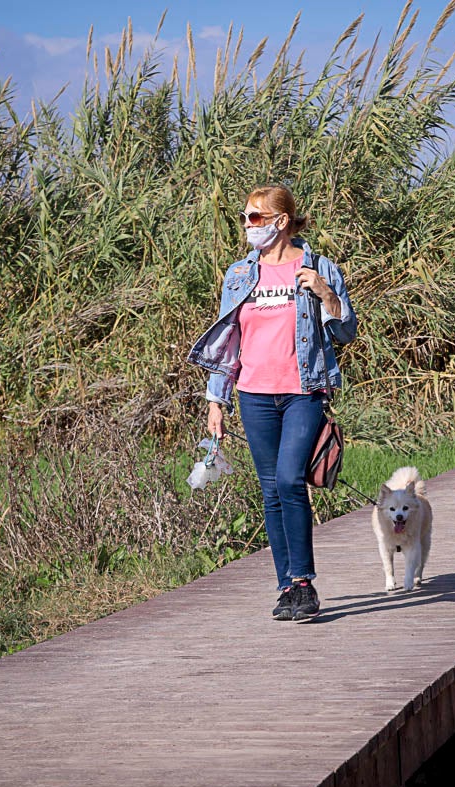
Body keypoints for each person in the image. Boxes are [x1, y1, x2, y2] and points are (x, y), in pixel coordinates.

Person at [187, 185, 357, 621]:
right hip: (254, 394)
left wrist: (325, 294)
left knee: (288, 480)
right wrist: (215, 402)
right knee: (270, 490)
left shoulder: (318, 268)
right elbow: (229, 343)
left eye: (256, 218)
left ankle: (304, 583)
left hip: (305, 391)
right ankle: (286, 588)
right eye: (245, 218)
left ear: (281, 222)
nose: (247, 226)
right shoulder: (239, 275)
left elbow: (345, 332)